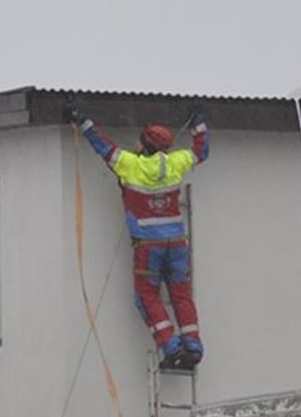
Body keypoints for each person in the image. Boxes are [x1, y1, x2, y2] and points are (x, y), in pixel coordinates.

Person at [64, 101, 210, 369]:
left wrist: (81, 119)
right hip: (177, 244)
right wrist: (198, 121)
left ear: (145, 144)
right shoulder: (177, 162)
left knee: (146, 296)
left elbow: (102, 146)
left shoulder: (130, 165)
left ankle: (172, 347)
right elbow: (202, 151)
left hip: (148, 247)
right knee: (181, 295)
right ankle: (193, 346)